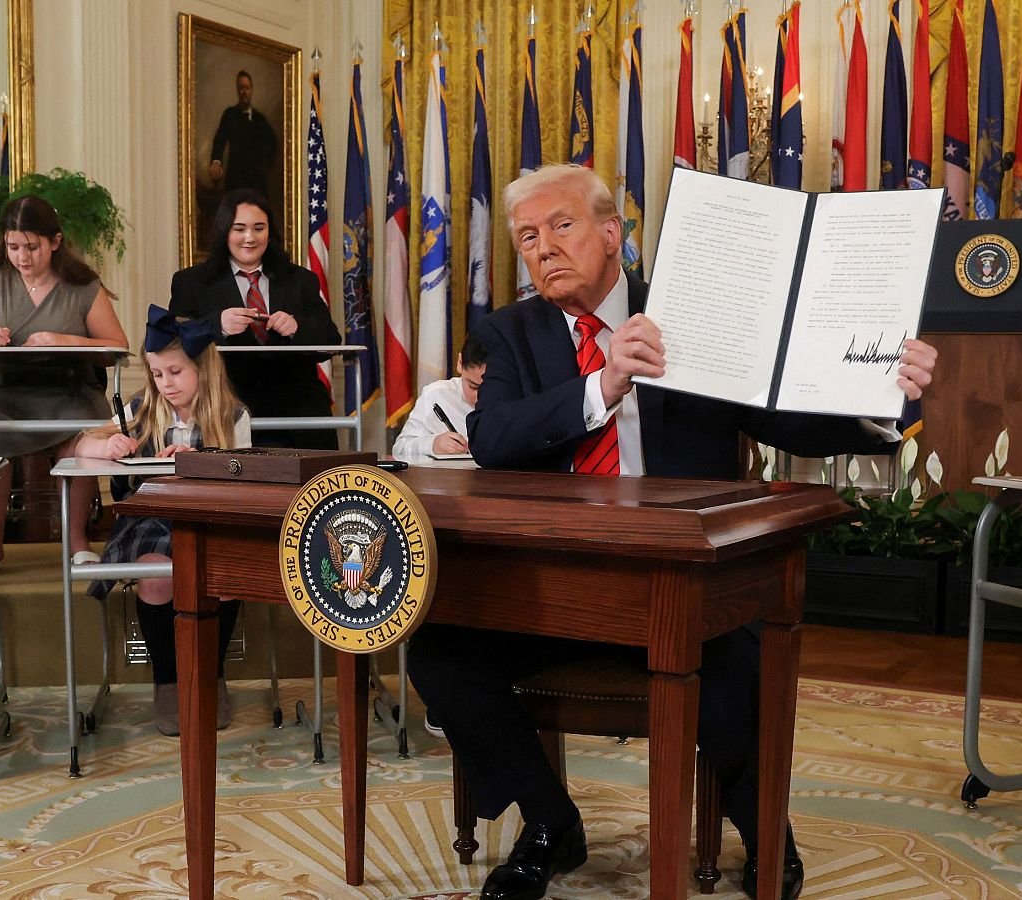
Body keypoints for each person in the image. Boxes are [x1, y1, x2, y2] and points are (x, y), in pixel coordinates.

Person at [406, 164, 939, 900]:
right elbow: (492, 439)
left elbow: (782, 416)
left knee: (738, 672)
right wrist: (603, 385)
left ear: (612, 233)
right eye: (527, 237)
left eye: (561, 225)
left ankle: (764, 831)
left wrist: (880, 392)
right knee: (439, 654)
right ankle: (550, 823)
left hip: (687, 587)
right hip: (559, 590)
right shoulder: (511, 333)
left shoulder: (692, 312)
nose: (543, 247)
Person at [75, 306, 252, 736]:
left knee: (224, 579)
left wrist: (203, 462)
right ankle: (168, 682)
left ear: (204, 370)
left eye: (175, 372)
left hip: (213, 516)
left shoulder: (233, 415)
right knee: (157, 576)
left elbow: (246, 476)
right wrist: (106, 448)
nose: (165, 383)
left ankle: (210, 676)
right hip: (151, 517)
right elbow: (80, 447)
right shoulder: (141, 408)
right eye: (157, 374)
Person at [0, 195, 128, 568]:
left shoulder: (83, 285)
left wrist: (67, 340)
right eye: (13, 246)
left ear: (56, 242)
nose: (22, 257)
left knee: (81, 435)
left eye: (32, 247)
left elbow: (116, 346)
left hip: (70, 390)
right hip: (6, 392)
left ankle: (76, 540)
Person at [170, 189, 341, 449]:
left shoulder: (300, 279)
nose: (249, 238)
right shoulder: (192, 282)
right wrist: (217, 325)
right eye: (239, 229)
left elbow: (330, 339)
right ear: (224, 232)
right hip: (226, 405)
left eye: (259, 228)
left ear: (269, 233)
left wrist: (297, 327)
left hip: (298, 409)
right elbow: (173, 340)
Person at [389, 333, 487, 460]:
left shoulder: (511, 402)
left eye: (489, 388)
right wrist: (433, 445)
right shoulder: (436, 395)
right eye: (473, 387)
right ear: (460, 363)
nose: (480, 397)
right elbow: (400, 448)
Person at [208, 71, 277, 197]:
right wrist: (216, 161)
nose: (244, 92)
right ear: (237, 90)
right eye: (241, 88)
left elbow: (273, 143)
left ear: (251, 90)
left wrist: (263, 167)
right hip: (235, 182)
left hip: (257, 185)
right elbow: (220, 140)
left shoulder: (260, 119)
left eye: (247, 88)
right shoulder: (230, 115)